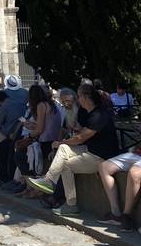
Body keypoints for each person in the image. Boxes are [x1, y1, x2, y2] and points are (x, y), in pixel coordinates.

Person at [28, 85, 121, 215]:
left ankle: (70, 204)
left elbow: (81, 138)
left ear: (86, 97)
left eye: (79, 96)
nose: (78, 99)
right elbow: (84, 134)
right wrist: (67, 139)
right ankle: (49, 180)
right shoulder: (88, 112)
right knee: (63, 149)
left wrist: (61, 141)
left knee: (66, 162)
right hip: (91, 150)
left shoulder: (99, 115)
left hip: (101, 156)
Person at [99, 146, 141, 230]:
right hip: (138, 153)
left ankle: (126, 216)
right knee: (104, 167)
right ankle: (115, 214)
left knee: (134, 174)